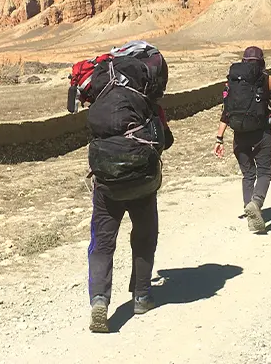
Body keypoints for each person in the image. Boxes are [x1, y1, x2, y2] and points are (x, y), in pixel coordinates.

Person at [78, 41, 170, 333]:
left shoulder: (100, 96)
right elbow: (164, 140)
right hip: (142, 180)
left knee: (102, 242)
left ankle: (99, 301)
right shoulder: (147, 102)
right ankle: (141, 296)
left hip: (106, 182)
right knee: (144, 235)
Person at [212, 46, 271, 233]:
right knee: (265, 173)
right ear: (262, 61)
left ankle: (249, 208)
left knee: (248, 175)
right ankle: (256, 203)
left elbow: (226, 113)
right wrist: (270, 117)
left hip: (239, 135)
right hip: (261, 134)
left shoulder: (232, 83)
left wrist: (219, 139)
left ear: (243, 61)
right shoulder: (269, 80)